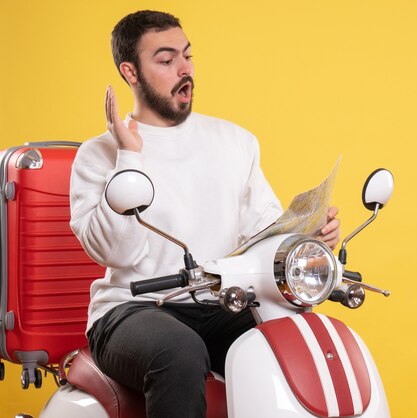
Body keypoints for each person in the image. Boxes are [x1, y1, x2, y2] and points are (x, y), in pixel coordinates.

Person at [69, 10, 340, 418]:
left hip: (220, 303)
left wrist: (308, 237)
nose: (184, 69)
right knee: (178, 351)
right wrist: (129, 156)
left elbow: (262, 234)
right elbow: (118, 254)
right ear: (131, 72)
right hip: (132, 310)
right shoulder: (98, 155)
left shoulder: (235, 141)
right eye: (166, 60)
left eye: (188, 56)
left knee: (294, 336)